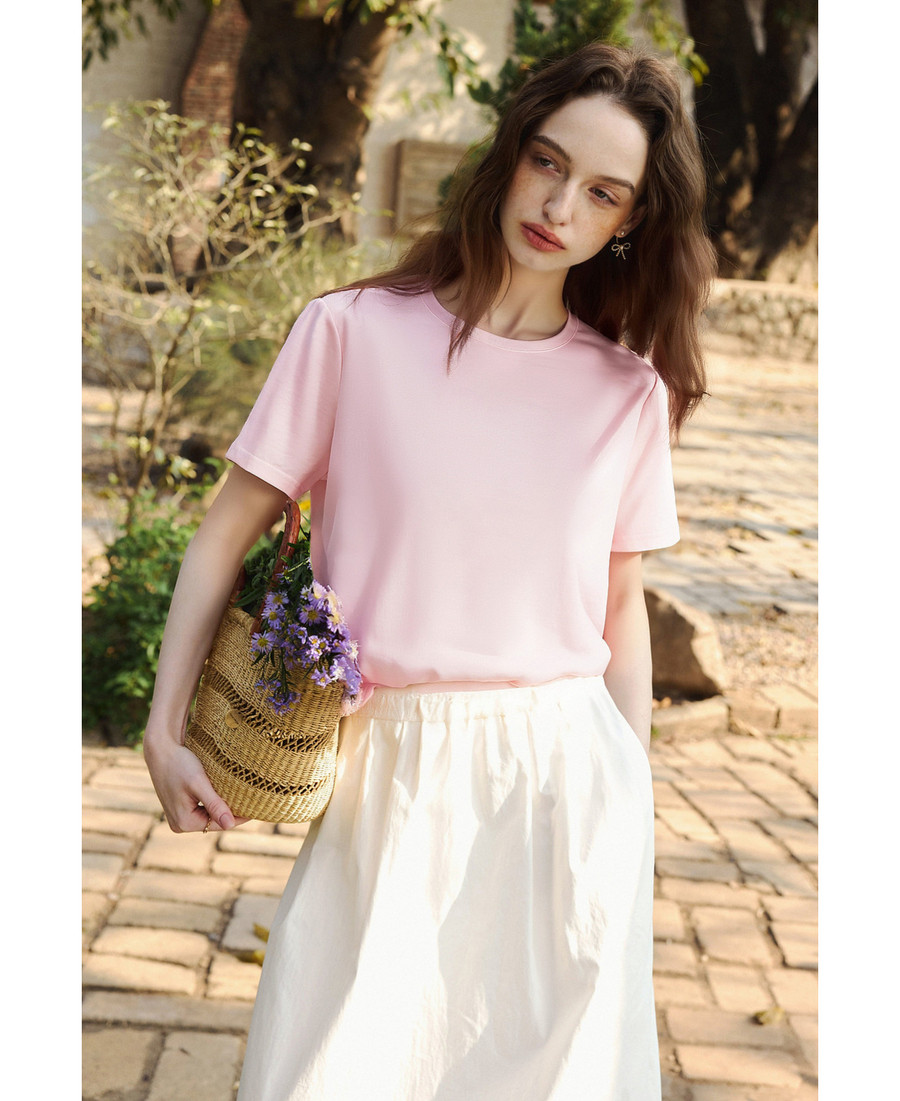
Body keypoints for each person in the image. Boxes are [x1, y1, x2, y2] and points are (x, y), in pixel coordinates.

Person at [144, 41, 716, 1101]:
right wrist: (163, 724)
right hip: (387, 769)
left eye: (602, 192)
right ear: (511, 154)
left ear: (630, 222)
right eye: (549, 163)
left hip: (564, 774)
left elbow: (618, 607)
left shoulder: (625, 394)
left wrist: (631, 792)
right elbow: (223, 535)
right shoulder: (351, 332)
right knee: (322, 1071)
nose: (560, 206)